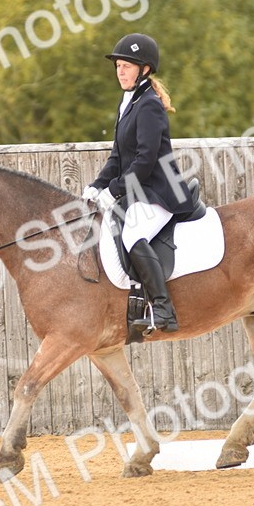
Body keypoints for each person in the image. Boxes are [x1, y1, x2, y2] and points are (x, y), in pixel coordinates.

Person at [82, 33, 195, 332]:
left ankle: (163, 309)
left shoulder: (149, 106)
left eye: (126, 66)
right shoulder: (127, 103)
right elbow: (118, 157)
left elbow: (145, 160)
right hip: (141, 191)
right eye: (118, 65)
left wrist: (115, 190)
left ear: (144, 69)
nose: (120, 71)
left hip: (161, 191)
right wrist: (98, 185)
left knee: (132, 234)